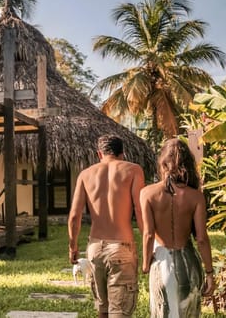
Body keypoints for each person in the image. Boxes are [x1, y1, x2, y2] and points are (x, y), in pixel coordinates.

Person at [68, 134, 145, 318]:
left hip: (95, 248)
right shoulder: (133, 170)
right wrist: (147, 245)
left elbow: (74, 216)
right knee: (120, 313)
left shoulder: (86, 174)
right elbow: (140, 210)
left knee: (102, 310)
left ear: (99, 153)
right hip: (121, 247)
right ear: (122, 154)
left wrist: (73, 247)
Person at [140, 138, 215, 318]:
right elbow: (202, 239)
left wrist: (145, 265)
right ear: (187, 164)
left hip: (161, 264)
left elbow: (149, 234)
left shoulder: (147, 193)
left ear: (163, 163)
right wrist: (210, 273)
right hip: (188, 262)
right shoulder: (196, 197)